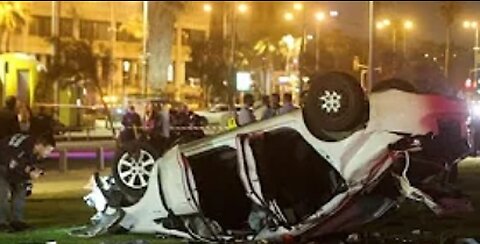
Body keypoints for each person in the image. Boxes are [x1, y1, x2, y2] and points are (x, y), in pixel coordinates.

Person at [0, 133, 55, 232]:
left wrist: (29, 180)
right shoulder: (22, 145)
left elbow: (25, 166)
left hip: (14, 169)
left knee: (21, 191)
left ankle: (17, 221)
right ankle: (1, 223)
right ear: (40, 145)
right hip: (2, 164)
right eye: (48, 150)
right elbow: (12, 161)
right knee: (2, 194)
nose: (48, 154)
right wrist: (29, 171)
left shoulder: (35, 154)